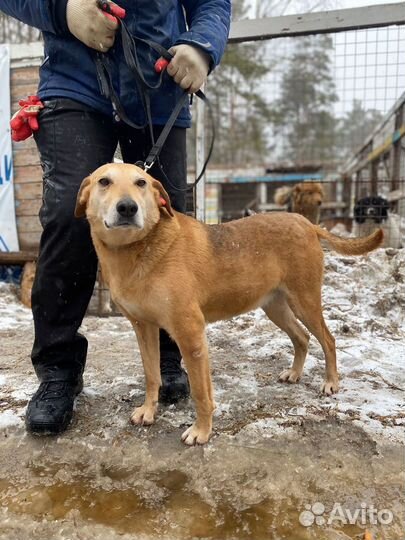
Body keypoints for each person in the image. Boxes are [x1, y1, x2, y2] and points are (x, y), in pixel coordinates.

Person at [1, 0, 231, 434]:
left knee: (168, 226)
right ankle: (58, 371)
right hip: (74, 82)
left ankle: (170, 355)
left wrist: (202, 45)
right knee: (69, 215)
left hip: (160, 81)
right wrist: (60, 10)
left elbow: (212, 2)